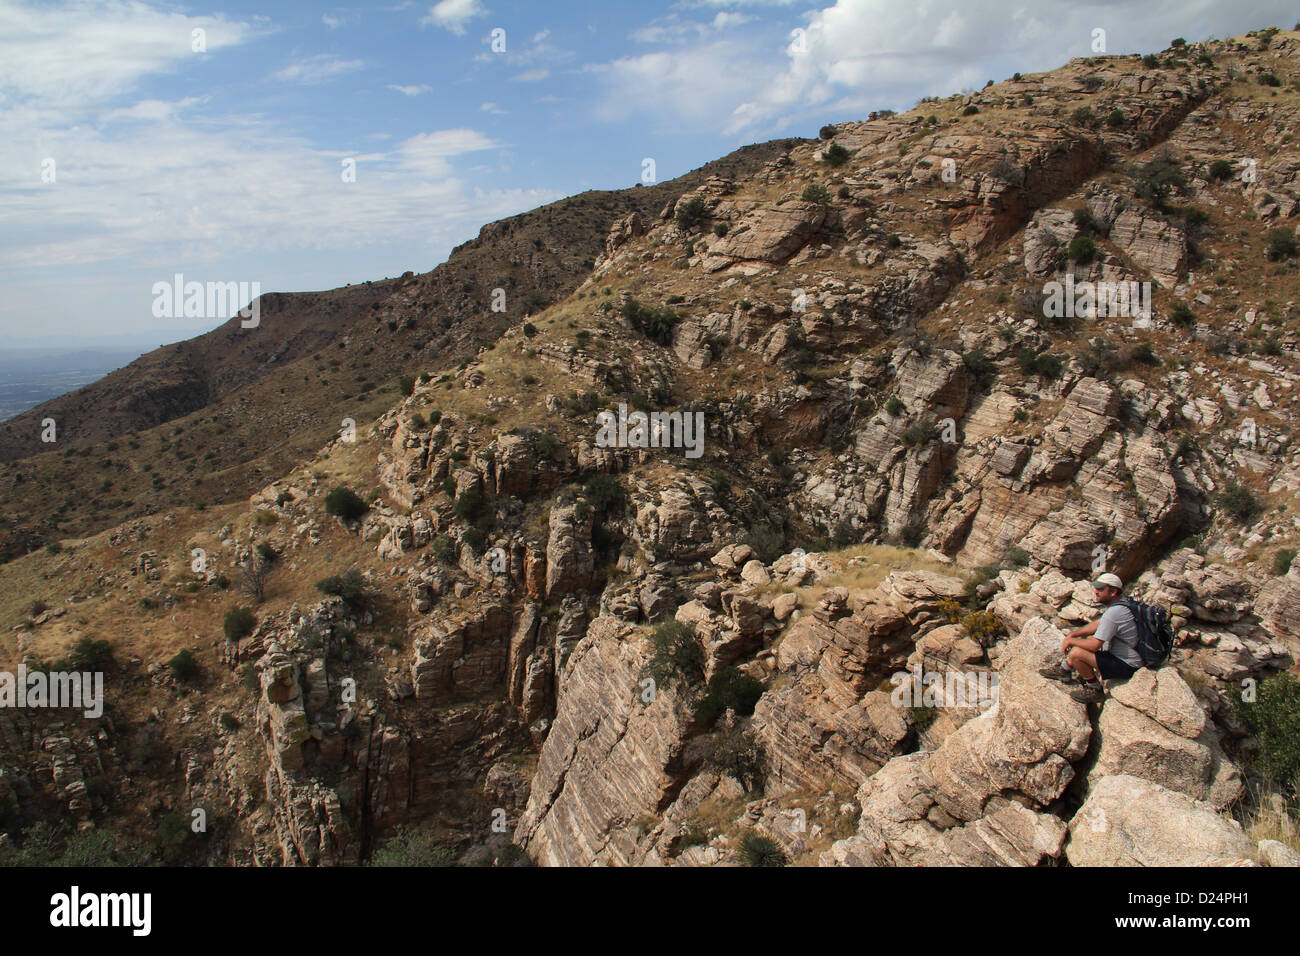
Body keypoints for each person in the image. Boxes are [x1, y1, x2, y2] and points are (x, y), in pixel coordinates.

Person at [1038, 572, 1143, 703]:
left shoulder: (1115, 612)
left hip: (1127, 665)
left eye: (1100, 589)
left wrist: (1070, 640)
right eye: (1096, 587)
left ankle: (1094, 689)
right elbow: (1099, 624)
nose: (1095, 591)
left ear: (1113, 592)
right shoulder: (1123, 604)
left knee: (1077, 652)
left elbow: (1095, 645)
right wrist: (1075, 634)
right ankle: (1065, 669)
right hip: (1130, 658)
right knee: (1084, 642)